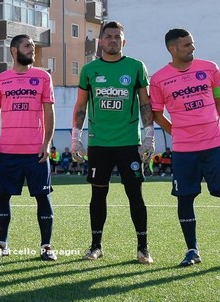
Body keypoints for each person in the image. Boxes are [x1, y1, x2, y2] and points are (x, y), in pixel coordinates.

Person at [150, 28, 220, 269]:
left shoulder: (210, 68)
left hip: (216, 144)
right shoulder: (158, 79)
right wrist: (178, 131)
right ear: (172, 49)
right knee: (185, 198)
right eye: (187, 45)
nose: (192, 48)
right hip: (184, 150)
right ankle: (192, 250)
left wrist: (209, 126)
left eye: (192, 43)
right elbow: (156, 114)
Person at [70, 21, 155, 264]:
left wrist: (149, 136)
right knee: (98, 196)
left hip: (129, 143)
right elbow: (81, 106)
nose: (113, 40)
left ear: (124, 42)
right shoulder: (89, 70)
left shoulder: (136, 67)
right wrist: (76, 139)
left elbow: (145, 103)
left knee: (135, 195)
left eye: (117, 36)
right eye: (108, 36)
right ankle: (96, 246)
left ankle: (143, 248)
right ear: (101, 41)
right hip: (99, 144)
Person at [0, 34, 57, 261]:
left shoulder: (43, 77)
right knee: (2, 197)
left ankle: (46, 246)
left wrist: (47, 144)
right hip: (7, 151)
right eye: (28, 46)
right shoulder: (0, 80)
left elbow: (49, 112)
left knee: (43, 197)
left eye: (33, 46)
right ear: (14, 51)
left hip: (35, 152)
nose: (32, 49)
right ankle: (1, 244)